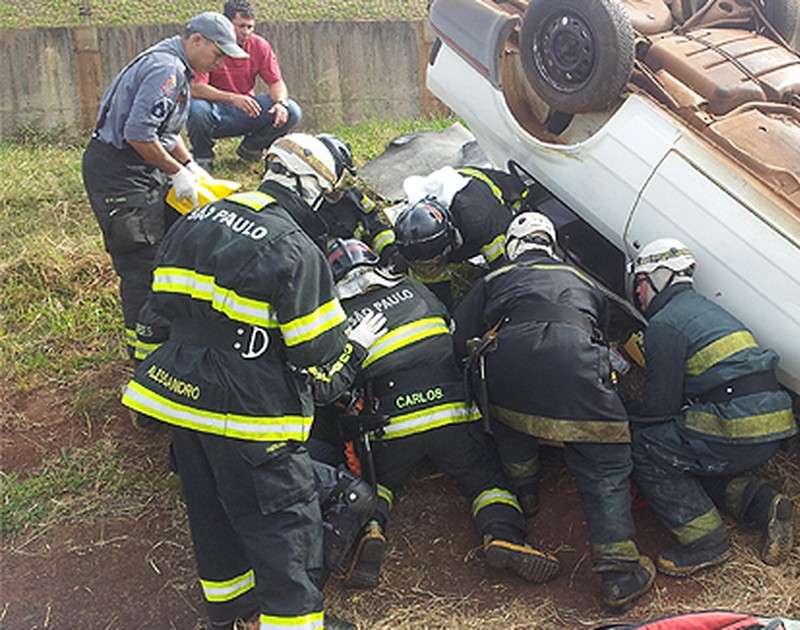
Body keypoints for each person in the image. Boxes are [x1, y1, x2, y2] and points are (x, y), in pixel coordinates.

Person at [121, 133, 381, 630]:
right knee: (284, 521)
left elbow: (153, 315)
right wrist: (356, 347)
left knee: (210, 513)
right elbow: (316, 351)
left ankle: (232, 615)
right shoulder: (294, 248)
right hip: (249, 413)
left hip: (178, 400)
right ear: (311, 186)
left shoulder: (196, 218)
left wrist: (148, 380)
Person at [307, 238, 560, 590]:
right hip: (452, 414)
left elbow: (337, 383)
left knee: (379, 484)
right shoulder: (413, 289)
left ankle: (372, 530)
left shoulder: (334, 316)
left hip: (393, 428)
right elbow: (452, 335)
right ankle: (503, 535)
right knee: (484, 478)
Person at [453, 213, 654, 612]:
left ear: (512, 246)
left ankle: (526, 494)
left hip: (507, 371)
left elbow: (461, 337)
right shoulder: (584, 279)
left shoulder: (493, 279)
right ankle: (618, 574)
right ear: (551, 244)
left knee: (510, 423)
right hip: (576, 368)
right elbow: (602, 328)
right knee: (605, 464)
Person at [626, 238, 798, 577]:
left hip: (735, 426)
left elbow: (660, 408)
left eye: (640, 285)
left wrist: (624, 408)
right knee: (689, 456)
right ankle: (764, 504)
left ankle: (705, 542)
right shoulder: (709, 311)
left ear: (656, 279)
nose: (640, 295)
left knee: (648, 447)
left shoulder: (665, 323)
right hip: (771, 425)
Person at [82, 11, 246, 367]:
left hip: (143, 166)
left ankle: (163, 338)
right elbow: (139, 134)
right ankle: (144, 360)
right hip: (119, 173)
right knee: (141, 261)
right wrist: (177, 172)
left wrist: (190, 167)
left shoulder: (179, 68)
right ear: (196, 40)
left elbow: (166, 134)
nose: (219, 63)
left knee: (169, 247)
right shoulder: (166, 70)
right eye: (218, 54)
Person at [187, 0, 302, 169]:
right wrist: (233, 98)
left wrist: (280, 104)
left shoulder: (259, 45)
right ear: (227, 24)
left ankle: (252, 149)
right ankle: (203, 158)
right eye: (241, 26)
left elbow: (276, 82)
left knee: (292, 110)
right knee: (196, 109)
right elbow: (195, 88)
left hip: (246, 109)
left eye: (250, 27)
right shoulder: (209, 45)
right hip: (213, 111)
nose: (246, 32)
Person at [393, 166, 526, 307]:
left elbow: (505, 268)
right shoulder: (413, 237)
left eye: (433, 262)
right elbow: (432, 293)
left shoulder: (481, 221)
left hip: (501, 192)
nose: (428, 269)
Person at [314, 134, 398, 269]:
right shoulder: (308, 212)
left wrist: (390, 252)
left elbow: (374, 225)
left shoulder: (353, 195)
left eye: (348, 182)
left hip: (367, 263)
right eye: (338, 184)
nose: (341, 191)